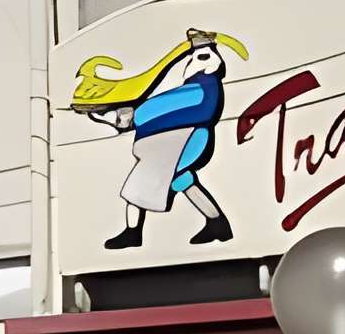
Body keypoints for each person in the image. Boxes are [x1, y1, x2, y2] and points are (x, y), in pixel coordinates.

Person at [73, 27, 245, 249]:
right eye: (195, 55)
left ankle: (133, 232)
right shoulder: (200, 88)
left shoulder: (204, 89)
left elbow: (172, 106)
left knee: (137, 185)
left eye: (202, 55)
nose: (196, 60)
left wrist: (136, 114)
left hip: (185, 141)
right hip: (178, 143)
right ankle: (217, 223)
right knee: (181, 180)